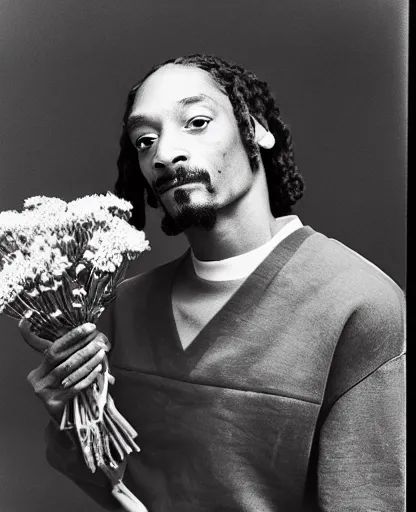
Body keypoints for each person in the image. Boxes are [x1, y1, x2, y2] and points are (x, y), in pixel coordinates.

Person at [20, 54, 406, 511]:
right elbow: (114, 485)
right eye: (145, 141)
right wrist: (72, 411)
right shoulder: (122, 307)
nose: (164, 154)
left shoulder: (357, 306)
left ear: (257, 129)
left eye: (197, 121)